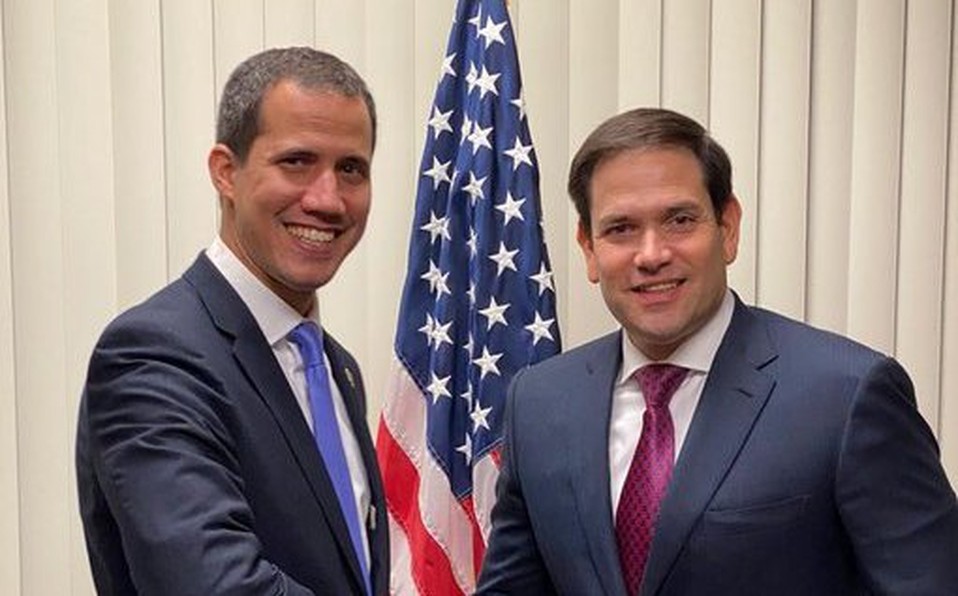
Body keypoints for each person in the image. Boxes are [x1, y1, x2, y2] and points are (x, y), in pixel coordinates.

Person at [476, 107, 958, 595]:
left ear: (727, 228)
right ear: (588, 248)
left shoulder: (848, 397)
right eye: (620, 228)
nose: (651, 254)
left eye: (679, 220)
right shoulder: (537, 403)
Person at [76, 47, 387, 595]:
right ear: (226, 172)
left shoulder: (339, 370)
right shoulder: (152, 355)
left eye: (351, 169)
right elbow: (212, 585)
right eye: (296, 161)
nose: (328, 200)